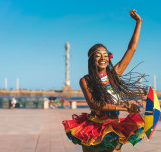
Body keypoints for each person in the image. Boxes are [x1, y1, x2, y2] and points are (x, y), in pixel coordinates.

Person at [62, 9, 146, 152]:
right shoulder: (86, 80)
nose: (103, 58)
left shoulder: (114, 75)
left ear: (109, 58)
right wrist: (124, 107)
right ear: (91, 59)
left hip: (114, 126)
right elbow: (95, 104)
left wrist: (138, 23)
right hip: (93, 128)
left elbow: (131, 49)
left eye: (105, 55)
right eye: (98, 55)